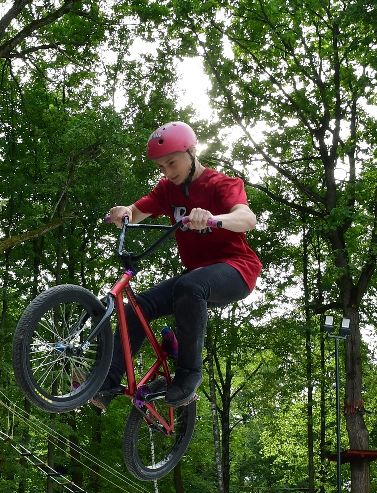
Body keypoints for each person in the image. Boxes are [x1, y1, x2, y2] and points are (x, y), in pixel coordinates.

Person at [98, 121, 260, 409]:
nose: (168, 173)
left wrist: (213, 218)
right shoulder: (167, 191)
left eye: (172, 163)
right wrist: (123, 212)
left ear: (191, 151)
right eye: (161, 167)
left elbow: (247, 219)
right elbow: (136, 212)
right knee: (136, 308)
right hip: (196, 276)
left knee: (189, 286)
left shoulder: (221, 184)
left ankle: (189, 374)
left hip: (237, 270)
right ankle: (106, 383)